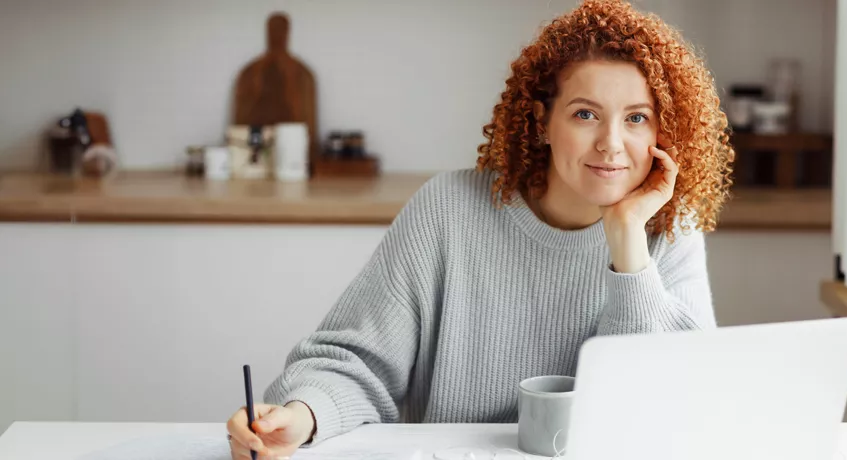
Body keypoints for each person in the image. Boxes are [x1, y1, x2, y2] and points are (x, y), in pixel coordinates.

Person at [225, 0, 733, 458]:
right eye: (585, 114)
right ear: (540, 122)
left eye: (637, 118)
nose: (612, 143)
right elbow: (354, 358)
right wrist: (301, 416)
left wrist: (627, 245)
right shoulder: (449, 211)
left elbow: (675, 399)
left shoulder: (668, 228)